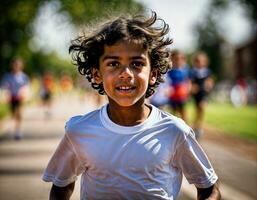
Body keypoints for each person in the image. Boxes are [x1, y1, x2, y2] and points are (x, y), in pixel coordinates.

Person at [42, 12, 220, 200]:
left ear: (153, 74)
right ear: (96, 74)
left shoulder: (175, 131)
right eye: (113, 63)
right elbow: (60, 188)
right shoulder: (79, 131)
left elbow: (210, 189)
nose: (126, 73)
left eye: (136, 63)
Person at [1, 58, 30, 140]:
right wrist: (6, 93)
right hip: (12, 98)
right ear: (12, 66)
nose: (16, 66)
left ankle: (18, 131)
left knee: (19, 114)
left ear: (21, 66)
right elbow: (4, 86)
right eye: (15, 65)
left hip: (20, 98)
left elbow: (26, 86)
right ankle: (12, 126)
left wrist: (24, 92)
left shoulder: (24, 76)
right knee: (13, 115)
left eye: (18, 65)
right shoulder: (8, 76)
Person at [190, 51, 214, 139]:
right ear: (195, 62)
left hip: (204, 93)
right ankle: (196, 126)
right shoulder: (193, 72)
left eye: (201, 61)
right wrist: (192, 87)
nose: (200, 62)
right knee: (197, 110)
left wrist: (209, 85)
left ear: (205, 62)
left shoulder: (207, 71)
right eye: (198, 61)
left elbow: (210, 81)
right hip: (196, 94)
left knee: (202, 107)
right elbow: (190, 82)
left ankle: (199, 126)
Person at [167, 50, 191, 122]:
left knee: (183, 112)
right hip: (172, 95)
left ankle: (186, 129)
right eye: (176, 58)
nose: (179, 60)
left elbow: (188, 81)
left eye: (181, 58)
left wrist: (188, 90)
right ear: (172, 59)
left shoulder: (185, 69)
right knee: (173, 113)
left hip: (181, 95)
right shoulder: (169, 70)